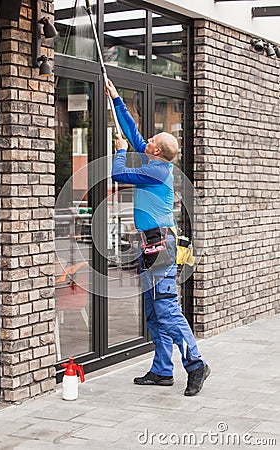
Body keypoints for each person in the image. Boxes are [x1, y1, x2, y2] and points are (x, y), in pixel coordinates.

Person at [105, 80, 210, 396]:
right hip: (151, 245)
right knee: (154, 310)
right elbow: (133, 133)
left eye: (150, 140)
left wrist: (121, 152)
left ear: (156, 151)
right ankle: (163, 370)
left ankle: (196, 364)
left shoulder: (157, 172)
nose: (145, 140)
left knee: (167, 309)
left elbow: (118, 174)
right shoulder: (154, 161)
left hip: (160, 247)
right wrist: (116, 98)